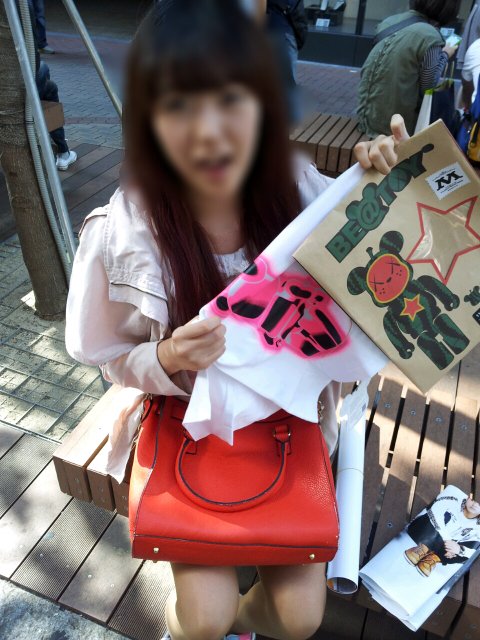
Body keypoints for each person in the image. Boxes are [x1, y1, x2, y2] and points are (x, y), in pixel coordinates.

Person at [65, 2, 408, 639]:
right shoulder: (124, 229)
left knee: (299, 617)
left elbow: (377, 256)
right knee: (203, 619)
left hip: (290, 424)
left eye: (231, 100)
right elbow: (106, 355)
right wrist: (168, 358)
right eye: (180, 106)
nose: (210, 133)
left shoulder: (299, 191)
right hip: (185, 426)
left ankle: (240, 627)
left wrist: (384, 181)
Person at [358, 0, 461, 139]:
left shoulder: (390, 21)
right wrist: (445, 54)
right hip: (392, 127)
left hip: (366, 117)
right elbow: (428, 86)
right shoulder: (430, 36)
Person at [404, 493, 480, 577]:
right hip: (421, 532)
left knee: (468, 551)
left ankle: (433, 558)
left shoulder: (478, 527)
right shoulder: (454, 500)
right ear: (468, 497)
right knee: (442, 518)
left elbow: (474, 552)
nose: (475, 505)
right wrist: (447, 539)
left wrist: (459, 550)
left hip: (441, 547)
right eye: (473, 500)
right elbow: (434, 513)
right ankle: (422, 548)